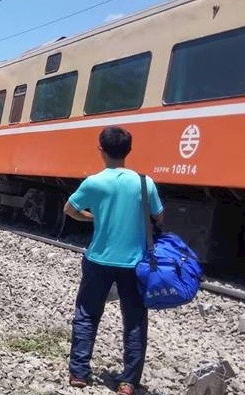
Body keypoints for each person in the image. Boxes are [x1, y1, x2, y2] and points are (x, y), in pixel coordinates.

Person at [63, 127, 163, 395]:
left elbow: (70, 210)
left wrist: (92, 217)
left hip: (98, 259)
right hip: (134, 264)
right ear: (128, 150)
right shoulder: (144, 182)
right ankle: (128, 382)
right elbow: (159, 217)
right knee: (134, 320)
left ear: (101, 149)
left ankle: (79, 373)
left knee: (87, 314)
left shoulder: (94, 182)